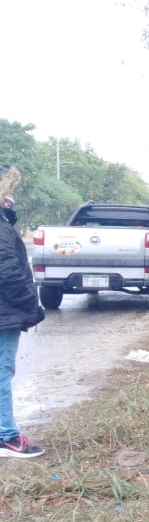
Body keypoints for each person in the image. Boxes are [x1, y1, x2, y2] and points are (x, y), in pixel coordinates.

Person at [0, 165, 45, 458]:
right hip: (4, 315)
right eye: (10, 190)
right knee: (2, 372)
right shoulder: (1, 228)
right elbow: (9, 273)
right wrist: (31, 305)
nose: (11, 197)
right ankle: (7, 437)